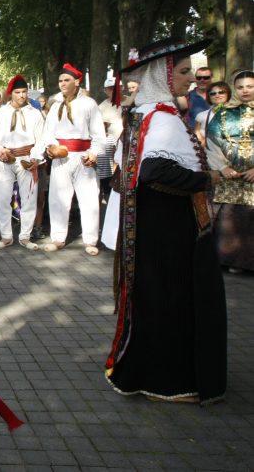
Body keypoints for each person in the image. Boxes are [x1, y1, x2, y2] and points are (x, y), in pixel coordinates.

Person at [105, 37, 226, 405]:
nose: (191, 79)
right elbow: (155, 170)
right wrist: (207, 180)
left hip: (153, 224)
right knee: (171, 299)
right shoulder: (162, 118)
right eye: (185, 72)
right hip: (168, 229)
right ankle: (170, 382)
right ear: (164, 75)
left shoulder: (146, 112)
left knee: (156, 298)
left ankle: (151, 375)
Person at [42, 63, 104, 255]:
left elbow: (99, 134)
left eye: (66, 80)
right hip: (61, 157)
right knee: (58, 198)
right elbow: (48, 132)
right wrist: (51, 147)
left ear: (77, 82)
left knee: (89, 199)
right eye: (60, 80)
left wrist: (94, 153)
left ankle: (91, 240)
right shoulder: (55, 105)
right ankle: (58, 238)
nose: (62, 83)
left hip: (83, 156)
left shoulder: (89, 104)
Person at [0, 75, 45, 250]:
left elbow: (41, 138)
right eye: (17, 92)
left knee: (29, 198)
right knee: (1, 198)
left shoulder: (35, 114)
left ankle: (25, 236)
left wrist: (35, 158)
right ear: (10, 94)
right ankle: (6, 236)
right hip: (5, 159)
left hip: (27, 158)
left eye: (24, 92)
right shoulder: (1, 113)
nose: (21, 95)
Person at [205, 70, 254, 273]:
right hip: (230, 174)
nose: (245, 91)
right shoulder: (223, 112)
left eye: (250, 86)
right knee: (231, 219)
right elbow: (212, 140)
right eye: (240, 87)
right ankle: (231, 261)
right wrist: (222, 167)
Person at [195, 81, 230, 146]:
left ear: (228, 94)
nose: (217, 95)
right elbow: (197, 134)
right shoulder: (201, 116)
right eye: (213, 93)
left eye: (221, 92)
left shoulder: (236, 112)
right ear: (209, 96)